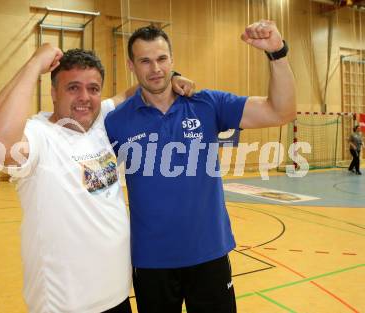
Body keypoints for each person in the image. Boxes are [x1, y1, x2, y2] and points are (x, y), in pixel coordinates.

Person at [0, 45, 194, 313]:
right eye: (73, 88)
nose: (85, 97)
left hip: (118, 298)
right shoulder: (39, 135)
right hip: (68, 306)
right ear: (53, 92)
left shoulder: (101, 121)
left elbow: (137, 91)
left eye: (93, 89)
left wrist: (171, 77)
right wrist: (34, 64)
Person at [104, 21, 295, 313]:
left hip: (209, 254)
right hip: (151, 261)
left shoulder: (208, 104)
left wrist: (277, 54)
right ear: (131, 65)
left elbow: (281, 111)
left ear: (173, 60)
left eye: (161, 59)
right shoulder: (117, 121)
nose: (155, 68)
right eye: (145, 60)